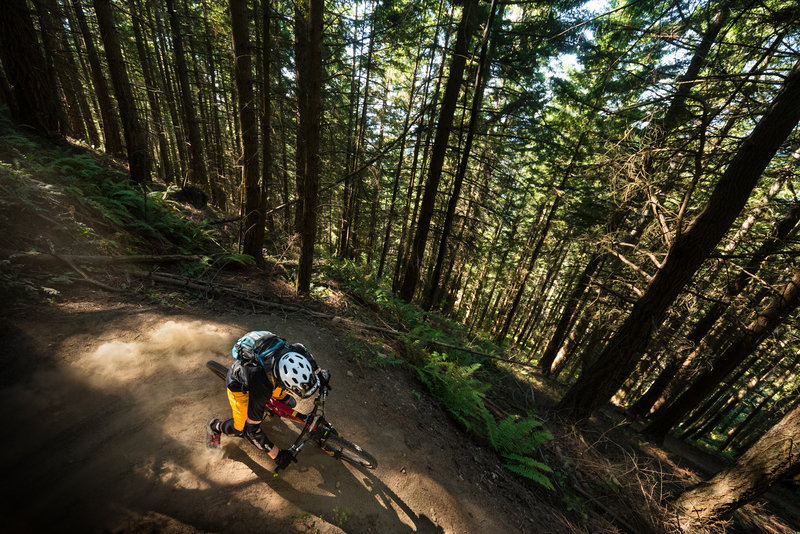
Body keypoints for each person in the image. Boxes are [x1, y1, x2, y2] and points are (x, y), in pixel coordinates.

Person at [206, 330, 331, 470]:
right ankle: (215, 426)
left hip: (270, 375)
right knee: (241, 428)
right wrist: (277, 455)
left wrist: (319, 374)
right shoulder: (262, 389)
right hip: (240, 385)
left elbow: (303, 350)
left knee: (288, 401)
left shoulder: (295, 352)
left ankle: (276, 401)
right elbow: (252, 430)